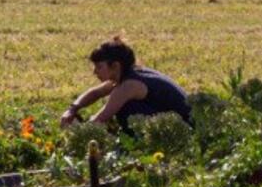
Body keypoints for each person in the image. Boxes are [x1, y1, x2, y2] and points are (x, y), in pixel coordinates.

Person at [60, 36, 191, 130]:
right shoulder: (130, 74)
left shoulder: (129, 86)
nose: (95, 72)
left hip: (184, 129)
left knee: (125, 108)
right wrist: (72, 109)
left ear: (115, 66)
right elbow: (96, 92)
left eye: (99, 67)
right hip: (179, 123)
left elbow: (99, 119)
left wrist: (74, 131)